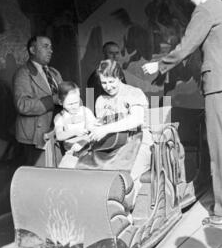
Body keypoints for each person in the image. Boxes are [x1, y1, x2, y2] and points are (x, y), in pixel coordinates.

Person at [142, 0, 222, 227]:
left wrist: (160, 65)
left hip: (220, 86)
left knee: (221, 149)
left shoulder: (205, 10)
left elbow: (187, 44)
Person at [81, 59, 153, 200]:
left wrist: (106, 129)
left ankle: (124, 211)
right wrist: (93, 127)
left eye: (111, 82)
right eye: (104, 83)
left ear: (119, 77)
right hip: (113, 145)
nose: (108, 87)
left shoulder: (133, 93)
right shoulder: (101, 100)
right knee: (90, 172)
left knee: (124, 179)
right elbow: (101, 124)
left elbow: (136, 120)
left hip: (139, 143)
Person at [13, 35, 62, 166]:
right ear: (33, 50)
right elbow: (22, 105)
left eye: (51, 47)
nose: (51, 50)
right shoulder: (23, 73)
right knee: (38, 178)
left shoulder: (54, 73)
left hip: (55, 134)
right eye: (46, 46)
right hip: (34, 137)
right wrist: (53, 100)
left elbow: (63, 97)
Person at [54, 81, 97, 168]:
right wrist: (75, 132)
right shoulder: (59, 117)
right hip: (72, 154)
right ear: (60, 102)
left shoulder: (86, 111)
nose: (74, 106)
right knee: (65, 170)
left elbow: (94, 126)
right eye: (70, 104)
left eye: (76, 102)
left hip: (89, 150)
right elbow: (59, 135)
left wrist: (91, 127)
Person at [86, 41, 126, 107]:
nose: (114, 56)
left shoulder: (119, 72)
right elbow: (90, 101)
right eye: (111, 53)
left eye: (117, 53)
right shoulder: (96, 75)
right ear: (103, 54)